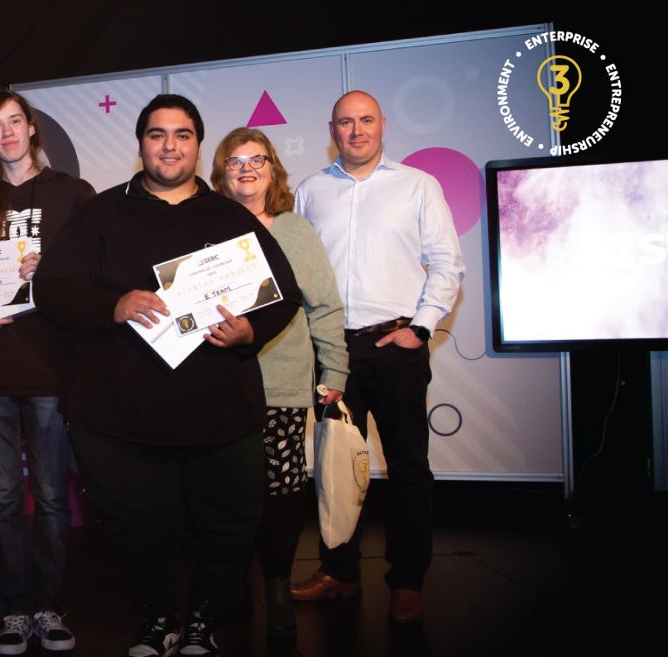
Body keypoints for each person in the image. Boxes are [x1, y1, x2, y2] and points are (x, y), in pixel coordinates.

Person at [35, 94, 302, 657]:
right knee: (138, 527)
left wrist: (248, 333)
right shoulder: (101, 213)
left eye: (182, 135)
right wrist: (113, 305)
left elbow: (283, 294)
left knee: (224, 523)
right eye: (157, 135)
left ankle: (204, 617)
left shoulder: (232, 217)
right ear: (141, 145)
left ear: (198, 145)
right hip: (119, 414)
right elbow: (53, 288)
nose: (169, 145)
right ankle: (157, 617)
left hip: (218, 409)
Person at [291, 90, 464, 624]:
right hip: (332, 350)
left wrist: (420, 328)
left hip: (395, 346)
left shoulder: (418, 185)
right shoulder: (310, 190)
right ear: (332, 128)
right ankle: (339, 571)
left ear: (382, 125)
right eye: (346, 122)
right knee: (335, 466)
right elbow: (295, 270)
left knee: (409, 468)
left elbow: (446, 264)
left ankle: (407, 582)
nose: (357, 130)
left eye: (366, 120)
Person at [0, 90, 95, 655]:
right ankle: (14, 610)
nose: (8, 133)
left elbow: (90, 276)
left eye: (16, 122)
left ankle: (48, 606)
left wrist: (51, 268)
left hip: (51, 367)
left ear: (33, 129)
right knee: (3, 499)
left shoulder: (74, 194)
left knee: (53, 498)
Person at [211, 127, 349, 637]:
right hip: (216, 383)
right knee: (225, 491)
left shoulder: (295, 231)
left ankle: (275, 583)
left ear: (274, 169)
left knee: (281, 489)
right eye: (235, 161)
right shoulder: (204, 230)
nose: (246, 168)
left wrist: (335, 370)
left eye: (257, 159)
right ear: (221, 172)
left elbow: (326, 306)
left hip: (282, 382)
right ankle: (234, 586)